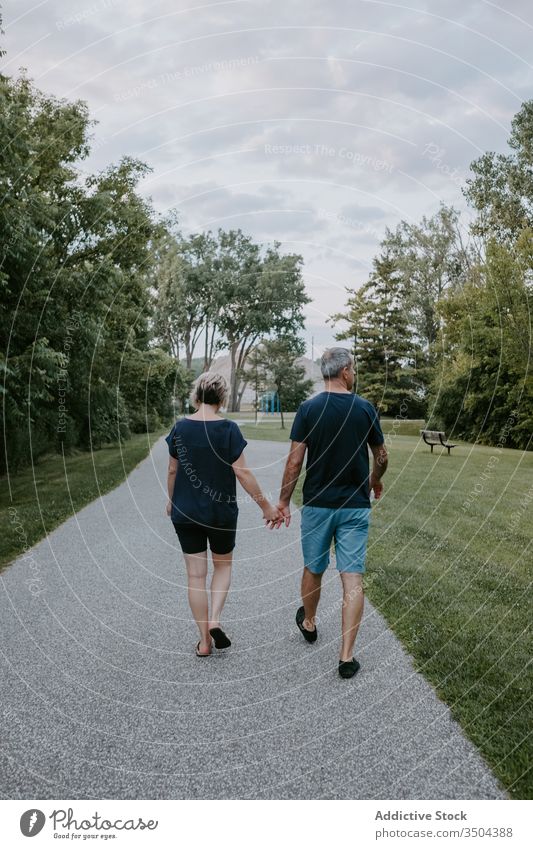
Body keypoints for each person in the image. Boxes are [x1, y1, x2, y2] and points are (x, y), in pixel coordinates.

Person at [276, 348, 388, 679]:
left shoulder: (308, 409)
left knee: (314, 567)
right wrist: (374, 482)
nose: (354, 373)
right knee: (351, 575)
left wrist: (283, 501)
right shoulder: (365, 409)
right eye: (353, 368)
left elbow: (294, 461)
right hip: (354, 506)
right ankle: (346, 656)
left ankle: (309, 622)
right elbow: (381, 456)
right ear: (344, 372)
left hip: (317, 506)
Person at [166, 372, 282, 657]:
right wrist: (266, 507)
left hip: (186, 512)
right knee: (223, 567)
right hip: (221, 513)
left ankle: (204, 641)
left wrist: (171, 501)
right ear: (222, 398)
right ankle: (215, 618)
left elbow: (172, 470)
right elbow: (242, 472)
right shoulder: (228, 429)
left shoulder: (179, 429)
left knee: (195, 576)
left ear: (197, 395)